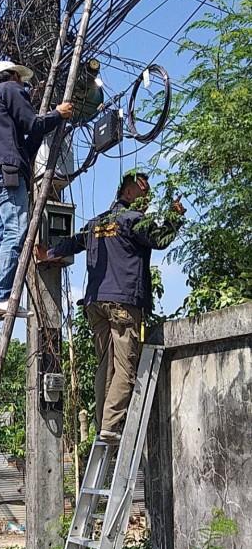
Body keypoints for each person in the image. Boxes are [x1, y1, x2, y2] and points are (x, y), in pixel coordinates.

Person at [36, 171, 186, 443]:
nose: (146, 200)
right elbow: (159, 240)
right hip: (123, 304)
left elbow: (73, 243)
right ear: (128, 194)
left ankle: (102, 423)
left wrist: (48, 253)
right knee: (126, 368)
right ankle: (111, 425)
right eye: (143, 194)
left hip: (96, 304)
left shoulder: (98, 222)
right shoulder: (133, 220)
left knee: (106, 366)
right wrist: (174, 216)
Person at [0, 59, 74, 319]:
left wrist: (43, 127)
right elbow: (32, 124)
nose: (24, 84)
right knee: (15, 232)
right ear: (11, 77)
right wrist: (58, 114)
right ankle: (0, 295)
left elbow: (26, 142)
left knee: (0, 237)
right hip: (7, 172)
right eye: (21, 78)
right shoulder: (10, 90)